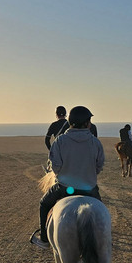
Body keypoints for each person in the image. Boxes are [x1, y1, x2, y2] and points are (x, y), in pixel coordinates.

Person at [37, 105, 104, 244]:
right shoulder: (95, 142)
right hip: (89, 190)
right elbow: (99, 166)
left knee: (44, 204)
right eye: (89, 121)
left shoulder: (60, 141)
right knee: (102, 214)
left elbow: (55, 166)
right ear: (86, 123)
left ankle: (44, 238)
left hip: (65, 188)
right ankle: (105, 240)